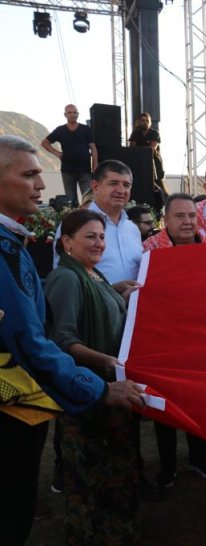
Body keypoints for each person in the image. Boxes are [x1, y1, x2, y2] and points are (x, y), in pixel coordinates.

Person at [0, 135, 143, 546]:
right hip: (17, 405)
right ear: (67, 243)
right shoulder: (11, 253)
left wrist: (111, 292)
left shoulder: (16, 244)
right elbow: (37, 340)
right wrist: (99, 385)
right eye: (28, 174)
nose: (41, 185)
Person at [45, 208, 141, 543]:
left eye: (102, 236)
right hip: (88, 392)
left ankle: (113, 531)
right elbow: (62, 341)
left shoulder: (91, 274)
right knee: (91, 477)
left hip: (107, 388)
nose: (99, 242)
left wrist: (116, 293)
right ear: (67, 242)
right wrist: (110, 363)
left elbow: (95, 304)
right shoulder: (67, 277)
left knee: (113, 472)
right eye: (90, 236)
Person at [140, 194, 206, 485]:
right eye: (180, 216)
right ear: (166, 219)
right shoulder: (148, 250)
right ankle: (167, 466)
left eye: (191, 216)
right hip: (162, 343)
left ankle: (198, 458)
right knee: (164, 408)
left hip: (200, 342)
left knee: (198, 405)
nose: (187, 222)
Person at [55, 160, 143, 294]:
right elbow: (63, 276)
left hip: (132, 310)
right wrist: (111, 290)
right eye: (113, 183)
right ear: (95, 186)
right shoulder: (76, 224)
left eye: (126, 185)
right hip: (94, 310)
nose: (121, 190)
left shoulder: (132, 229)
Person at [40, 104, 98, 206]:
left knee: (89, 198)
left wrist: (95, 164)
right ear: (65, 115)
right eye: (70, 112)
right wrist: (57, 153)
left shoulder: (85, 129)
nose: (72, 115)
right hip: (68, 170)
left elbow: (93, 147)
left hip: (85, 170)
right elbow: (44, 142)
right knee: (71, 201)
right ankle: (75, 221)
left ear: (78, 114)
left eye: (75, 112)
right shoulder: (60, 130)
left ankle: (90, 220)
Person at [128, 112, 169, 210]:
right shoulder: (135, 133)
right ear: (139, 122)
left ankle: (164, 203)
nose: (145, 123)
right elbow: (132, 148)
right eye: (142, 121)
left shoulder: (154, 133)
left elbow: (151, 148)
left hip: (153, 164)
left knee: (158, 186)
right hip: (139, 164)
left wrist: (140, 149)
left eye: (147, 121)